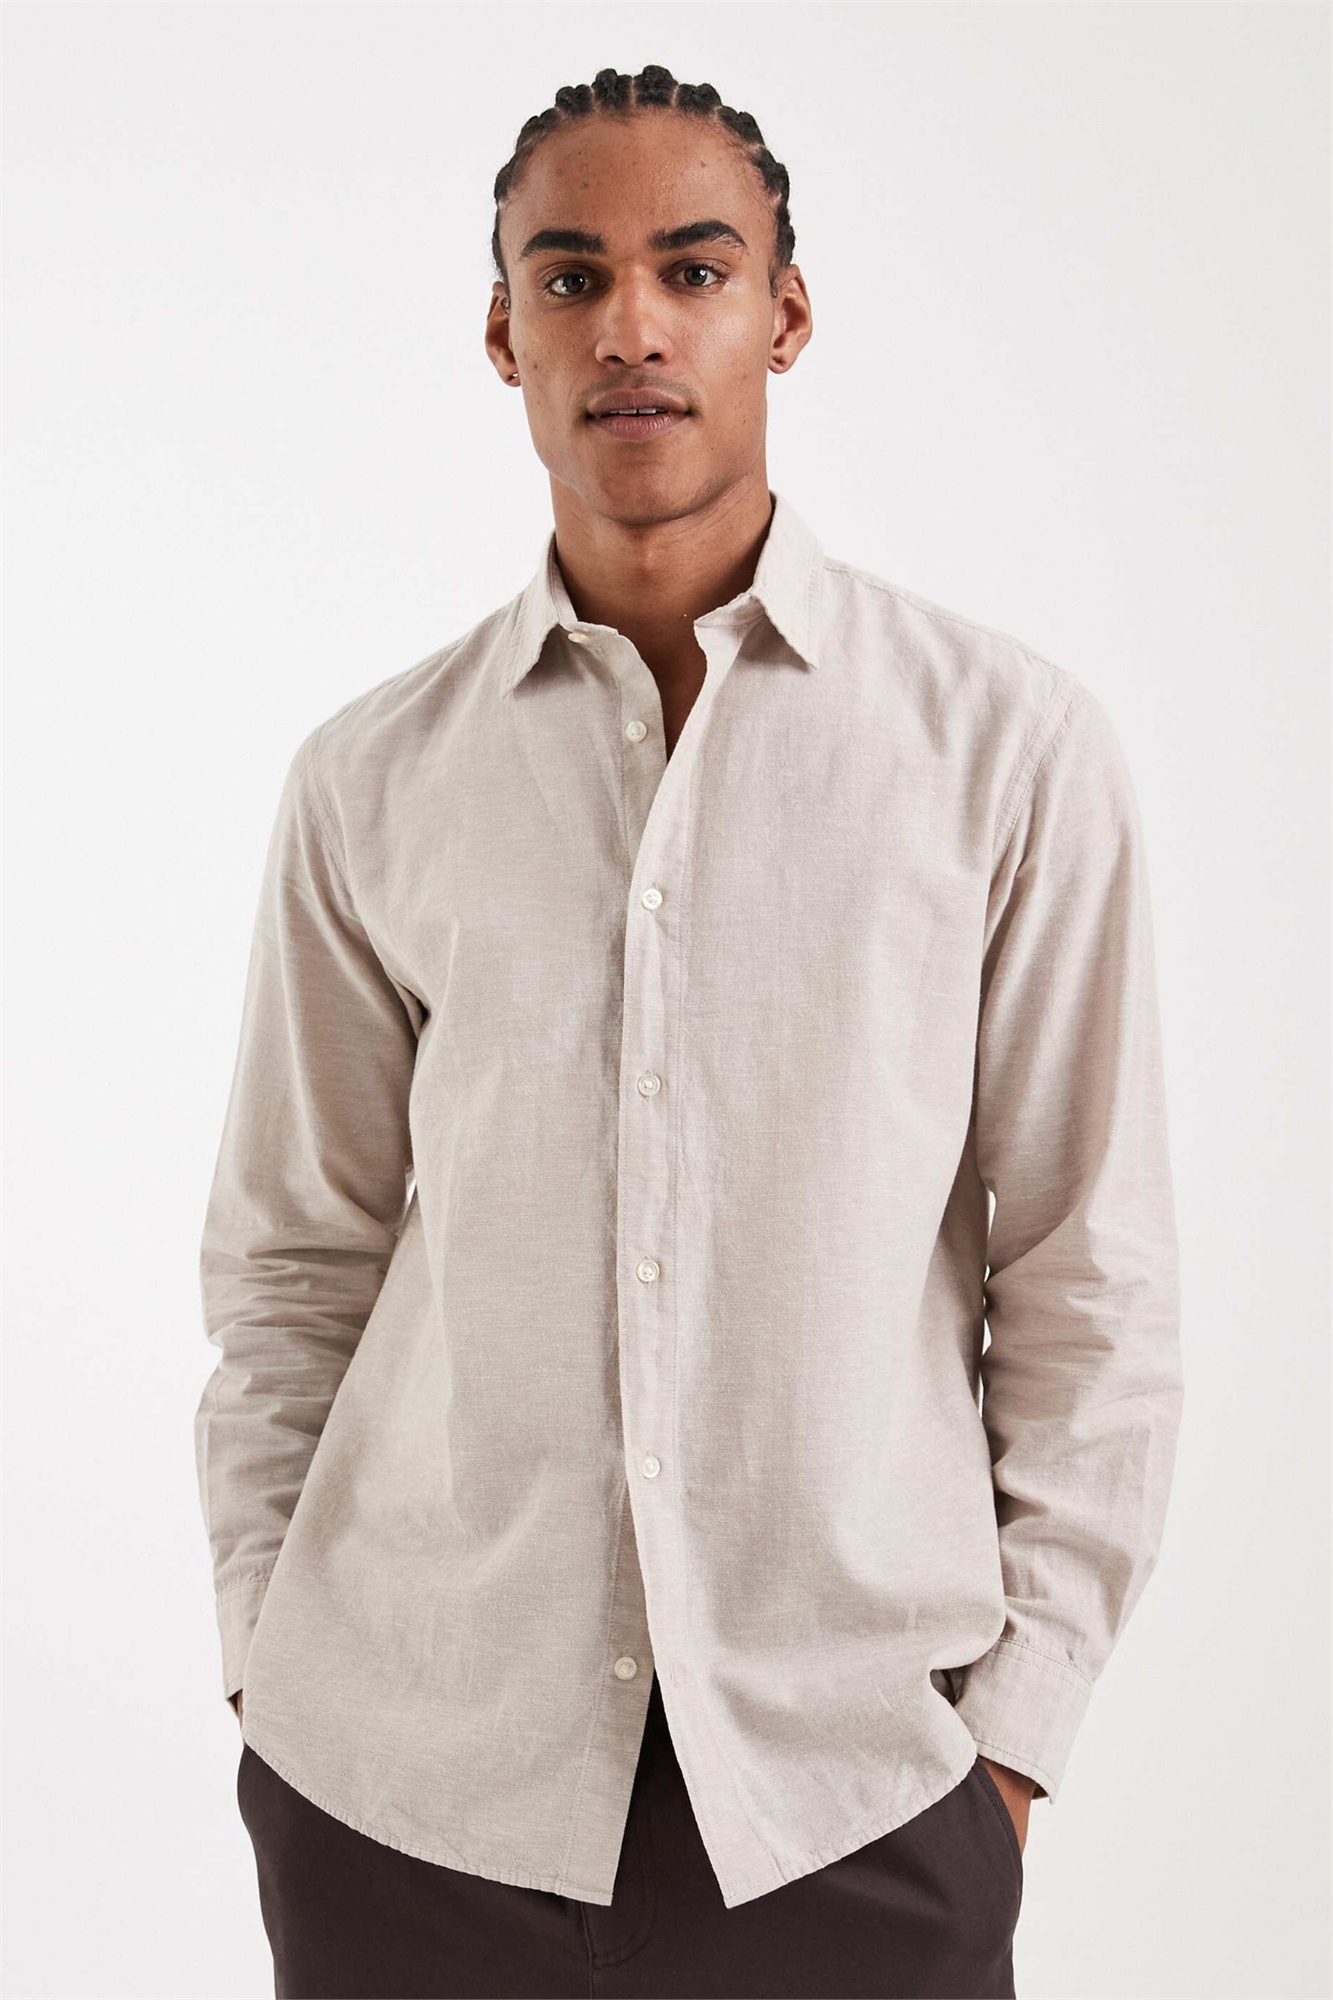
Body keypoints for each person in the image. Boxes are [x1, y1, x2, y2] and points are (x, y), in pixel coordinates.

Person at [195, 63, 1184, 2000]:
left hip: (848, 1798)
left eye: (693, 269)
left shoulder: (1002, 750)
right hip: (406, 1792)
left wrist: (1006, 1751)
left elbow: (1091, 1278)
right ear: (504, 332)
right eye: (568, 277)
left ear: (783, 315)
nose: (629, 326)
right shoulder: (373, 778)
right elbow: (294, 1264)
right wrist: (265, 1663)